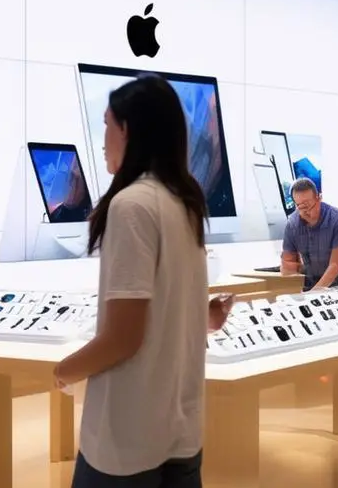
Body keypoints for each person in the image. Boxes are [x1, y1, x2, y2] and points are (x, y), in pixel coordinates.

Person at [54, 76, 233, 487]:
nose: (102, 140)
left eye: (106, 124)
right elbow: (168, 311)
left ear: (127, 130)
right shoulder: (184, 203)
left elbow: (124, 337)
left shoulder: (131, 205)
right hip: (180, 430)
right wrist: (204, 315)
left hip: (126, 438)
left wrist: (65, 369)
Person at [281, 178, 338, 291]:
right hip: (312, 285)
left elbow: (335, 265)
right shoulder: (293, 224)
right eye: (300, 206)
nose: (305, 211)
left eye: (308, 205)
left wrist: (313, 294)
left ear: (318, 198)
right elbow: (288, 263)